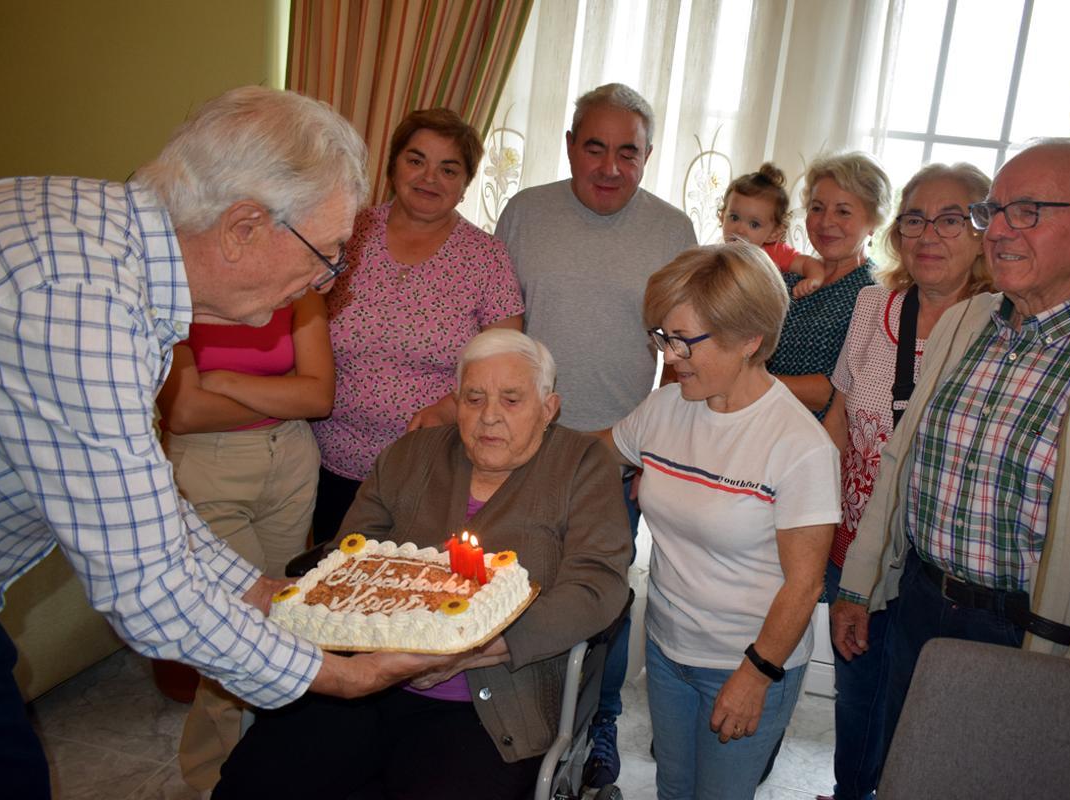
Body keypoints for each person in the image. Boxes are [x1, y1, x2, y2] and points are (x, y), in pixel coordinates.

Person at [0, 86, 442, 799]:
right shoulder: (79, 303)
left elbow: (146, 507)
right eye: (328, 254)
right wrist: (339, 676)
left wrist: (258, 589)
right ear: (243, 227)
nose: (327, 282)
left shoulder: (108, 244)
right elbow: (147, 585)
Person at [832, 138, 1070, 768]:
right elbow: (899, 466)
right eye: (994, 211)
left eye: (1027, 211)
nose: (998, 230)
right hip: (919, 604)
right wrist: (860, 585)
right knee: (902, 769)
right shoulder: (965, 323)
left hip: (1031, 638)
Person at [215, 329, 632, 800]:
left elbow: (597, 584)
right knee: (256, 780)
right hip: (363, 678)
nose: (489, 415)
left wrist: (476, 646)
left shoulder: (582, 466)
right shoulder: (411, 454)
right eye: (473, 398)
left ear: (548, 407)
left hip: (489, 708)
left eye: (512, 400)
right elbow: (350, 553)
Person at [494, 82, 697, 787]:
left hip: (619, 452)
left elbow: (680, 357)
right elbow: (502, 328)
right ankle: (518, 712)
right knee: (515, 584)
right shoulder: (524, 213)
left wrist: (655, 453)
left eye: (628, 152)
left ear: (648, 155)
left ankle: (601, 720)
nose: (611, 167)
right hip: (524, 447)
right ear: (570, 146)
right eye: (595, 148)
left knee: (604, 597)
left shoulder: (672, 230)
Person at [602, 242, 839, 799]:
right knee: (673, 788)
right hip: (667, 649)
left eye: (683, 341)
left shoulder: (799, 445)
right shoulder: (666, 409)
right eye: (663, 337)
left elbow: (805, 585)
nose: (669, 357)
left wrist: (756, 674)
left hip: (746, 661)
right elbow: (594, 453)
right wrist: (520, 424)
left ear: (749, 339)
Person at [818, 163, 992, 800]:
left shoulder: (999, 326)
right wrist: (821, 523)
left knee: (921, 698)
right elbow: (839, 416)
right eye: (915, 219)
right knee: (856, 689)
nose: (929, 235)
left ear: (984, 231)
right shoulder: (874, 305)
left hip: (935, 557)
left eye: (951, 220)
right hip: (855, 541)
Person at [310, 108, 524, 541]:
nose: (430, 178)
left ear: (465, 184)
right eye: (416, 160)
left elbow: (506, 361)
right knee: (335, 576)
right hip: (328, 463)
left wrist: (450, 405)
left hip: (433, 467)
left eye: (449, 169)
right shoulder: (345, 233)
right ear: (393, 167)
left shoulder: (486, 257)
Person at [156, 289, 334, 790]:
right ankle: (219, 778)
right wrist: (280, 394)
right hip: (208, 465)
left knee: (287, 624)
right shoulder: (181, 287)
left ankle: (260, 766)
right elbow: (184, 411)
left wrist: (226, 381)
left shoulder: (302, 286)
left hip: (292, 463)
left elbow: (318, 397)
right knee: (234, 633)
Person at [767, 152, 893, 421]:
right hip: (761, 422)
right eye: (817, 208)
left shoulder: (876, 296)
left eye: (843, 211)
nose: (825, 222)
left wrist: (750, 381)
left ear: (873, 221)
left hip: (814, 435)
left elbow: (830, 392)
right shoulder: (786, 276)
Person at [719, 162, 827, 298]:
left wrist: (814, 279)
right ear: (722, 216)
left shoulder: (774, 252)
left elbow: (808, 263)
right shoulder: (717, 255)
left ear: (774, 233)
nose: (739, 230)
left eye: (754, 224)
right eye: (734, 217)